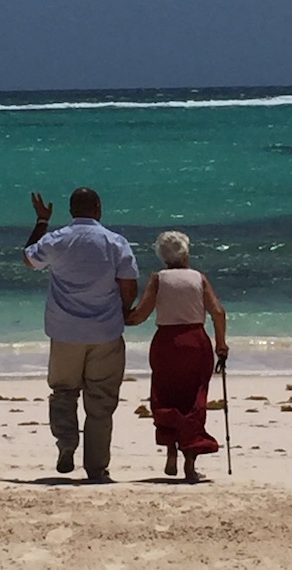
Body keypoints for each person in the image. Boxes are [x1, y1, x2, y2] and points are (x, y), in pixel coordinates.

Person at [23, 187, 139, 482]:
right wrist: (124, 310)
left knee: (63, 392)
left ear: (72, 210)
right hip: (106, 331)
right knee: (100, 401)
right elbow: (128, 284)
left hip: (64, 332)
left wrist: (41, 222)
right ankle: (96, 467)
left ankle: (66, 444)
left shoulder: (57, 239)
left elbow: (29, 259)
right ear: (98, 208)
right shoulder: (115, 242)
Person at [126, 230, 228, 483]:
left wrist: (114, 317)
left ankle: (171, 451)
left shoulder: (158, 279)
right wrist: (221, 346)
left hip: (167, 344)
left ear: (162, 256)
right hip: (195, 342)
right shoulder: (198, 278)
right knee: (194, 400)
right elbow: (218, 312)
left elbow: (140, 315)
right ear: (186, 252)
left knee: (166, 395)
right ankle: (190, 464)